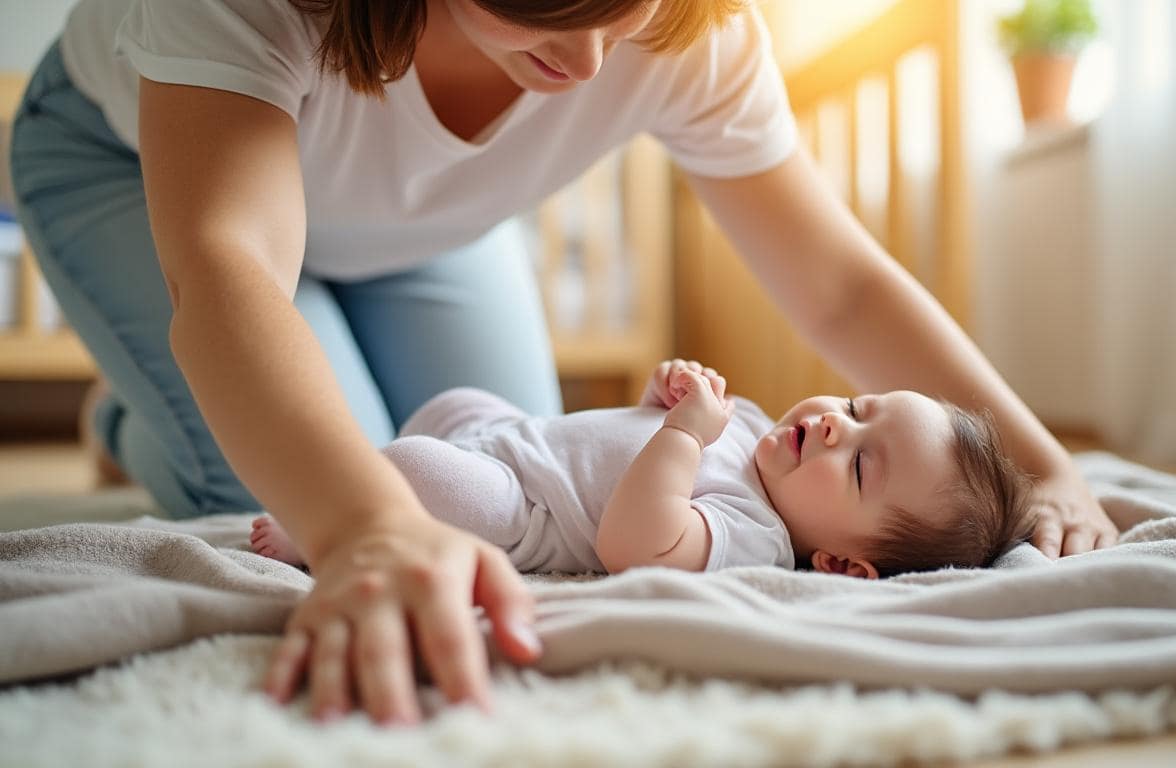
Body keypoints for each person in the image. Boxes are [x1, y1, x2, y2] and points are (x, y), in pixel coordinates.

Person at [9, 0, 1118, 725]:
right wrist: (363, 532)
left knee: (514, 484)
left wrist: (1041, 462)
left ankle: (219, 384)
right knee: (315, 491)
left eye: (618, 10)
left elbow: (839, 286)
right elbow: (232, 271)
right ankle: (137, 415)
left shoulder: (694, 28)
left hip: (423, 226)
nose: (585, 65)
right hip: (139, 166)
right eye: (538, 8)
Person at [252, 359, 1037, 578]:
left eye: (862, 466)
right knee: (454, 396)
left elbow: (634, 538)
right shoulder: (759, 426)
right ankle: (375, 470)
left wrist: (687, 435)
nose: (836, 423)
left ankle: (322, 524)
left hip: (522, 505)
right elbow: (623, 439)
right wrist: (661, 397)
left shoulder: (752, 534)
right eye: (860, 408)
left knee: (430, 473)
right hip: (516, 433)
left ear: (839, 563)